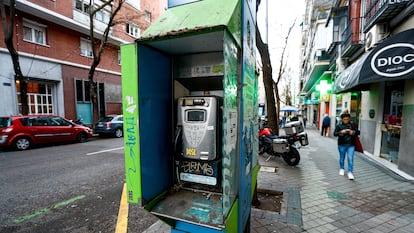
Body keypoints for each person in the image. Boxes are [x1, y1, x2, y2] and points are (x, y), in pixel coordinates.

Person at [333, 110, 359, 180]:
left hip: (351, 144)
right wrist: (341, 132)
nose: (346, 121)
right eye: (344, 119)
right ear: (342, 119)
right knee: (342, 157)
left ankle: (350, 172)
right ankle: (342, 168)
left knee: (350, 158)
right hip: (341, 144)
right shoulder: (339, 125)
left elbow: (358, 132)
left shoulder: (353, 125)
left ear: (349, 119)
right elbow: (335, 133)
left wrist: (352, 132)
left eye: (347, 119)